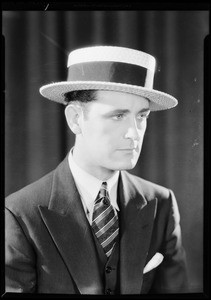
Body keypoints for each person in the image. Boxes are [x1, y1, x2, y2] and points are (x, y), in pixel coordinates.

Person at [5, 46, 189, 295]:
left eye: (141, 116)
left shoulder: (162, 203)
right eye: (118, 116)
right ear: (75, 119)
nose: (134, 133)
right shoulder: (19, 214)